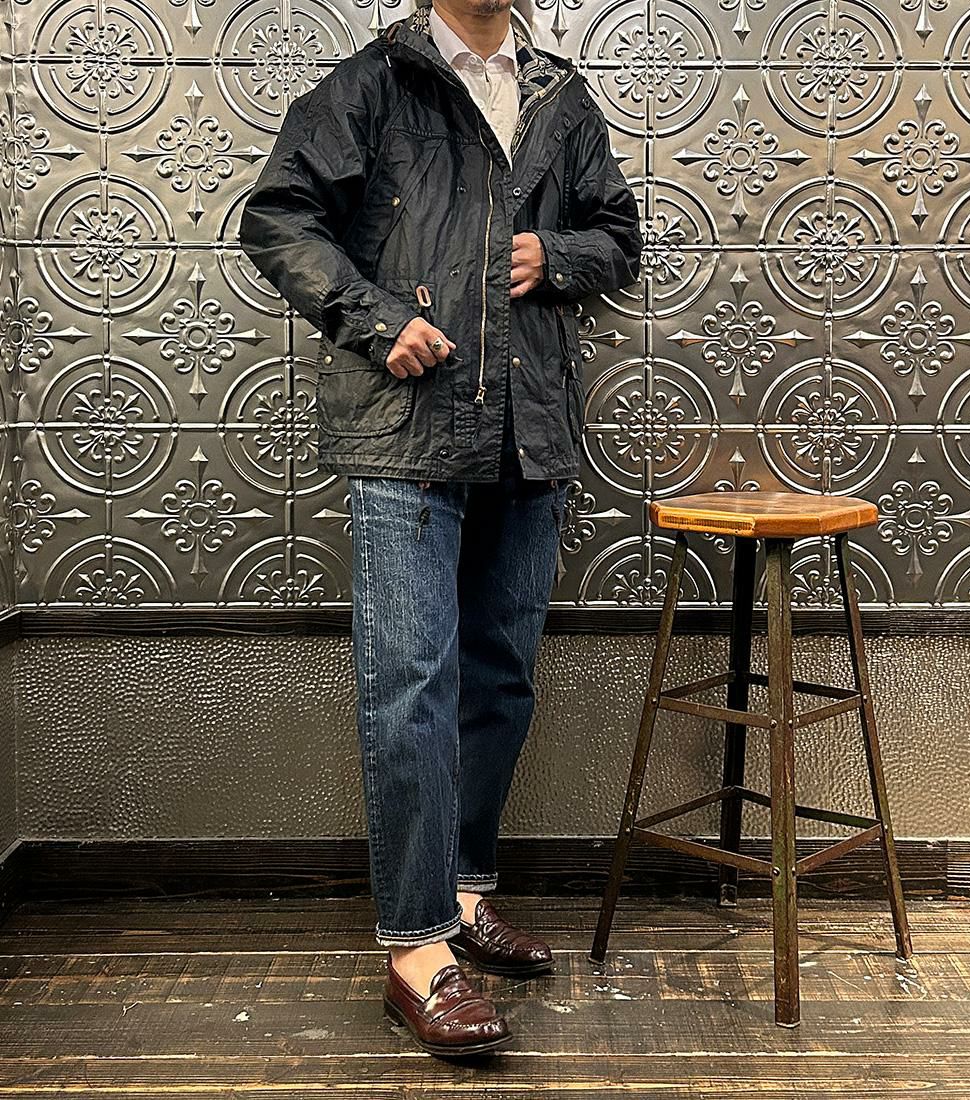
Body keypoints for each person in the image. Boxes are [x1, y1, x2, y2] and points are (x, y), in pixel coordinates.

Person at [239, 0, 642, 1058]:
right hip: (406, 431)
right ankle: (416, 951)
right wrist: (375, 320)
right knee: (411, 682)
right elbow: (277, 217)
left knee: (499, 676)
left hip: (530, 430)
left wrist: (554, 254)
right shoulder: (372, 83)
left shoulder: (559, 94)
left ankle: (462, 897)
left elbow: (621, 239)